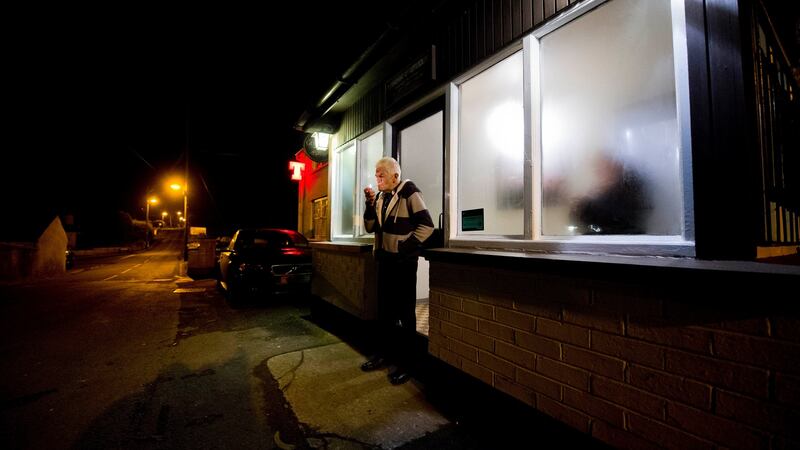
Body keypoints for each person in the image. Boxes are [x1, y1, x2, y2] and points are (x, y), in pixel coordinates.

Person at [361, 156, 434, 385]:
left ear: (395, 175)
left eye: (381, 174)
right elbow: (370, 227)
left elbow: (427, 225)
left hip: (403, 264)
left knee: (405, 314)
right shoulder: (380, 197)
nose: (377, 178)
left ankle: (408, 364)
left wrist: (404, 248)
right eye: (376, 174)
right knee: (385, 312)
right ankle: (384, 355)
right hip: (385, 262)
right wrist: (369, 205)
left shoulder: (409, 192)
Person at [570, 154, 650, 234]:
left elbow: (635, 219)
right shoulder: (591, 197)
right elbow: (579, 222)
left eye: (604, 168)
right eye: (597, 169)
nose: (600, 173)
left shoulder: (629, 191)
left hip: (627, 236)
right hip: (598, 236)